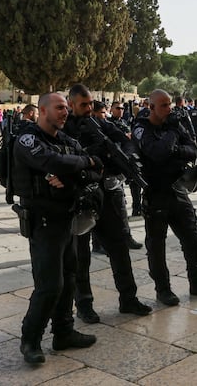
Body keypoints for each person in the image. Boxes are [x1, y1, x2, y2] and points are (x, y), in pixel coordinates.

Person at [11, 93, 101, 364]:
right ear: (42, 110)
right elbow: (52, 162)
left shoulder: (66, 140)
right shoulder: (28, 140)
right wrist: (83, 164)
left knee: (69, 279)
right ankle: (30, 340)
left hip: (66, 219)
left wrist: (75, 174)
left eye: (66, 108)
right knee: (50, 285)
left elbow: (97, 170)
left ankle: (63, 332)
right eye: (59, 108)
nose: (65, 112)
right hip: (43, 222)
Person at [64, 85, 150, 324]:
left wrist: (128, 155)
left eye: (91, 103)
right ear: (71, 104)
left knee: (120, 246)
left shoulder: (99, 124)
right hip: (81, 197)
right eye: (83, 104)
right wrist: (93, 154)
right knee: (81, 254)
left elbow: (126, 140)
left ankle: (128, 298)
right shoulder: (65, 127)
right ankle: (84, 304)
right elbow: (65, 157)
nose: (89, 108)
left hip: (108, 194)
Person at [137, 89, 197, 306]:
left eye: (170, 105)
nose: (169, 109)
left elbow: (193, 150)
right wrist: (173, 135)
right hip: (156, 192)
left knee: (192, 238)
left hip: (178, 189)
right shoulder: (141, 127)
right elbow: (157, 152)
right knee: (157, 245)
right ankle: (163, 289)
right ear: (151, 107)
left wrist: (173, 147)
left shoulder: (174, 125)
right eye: (163, 106)